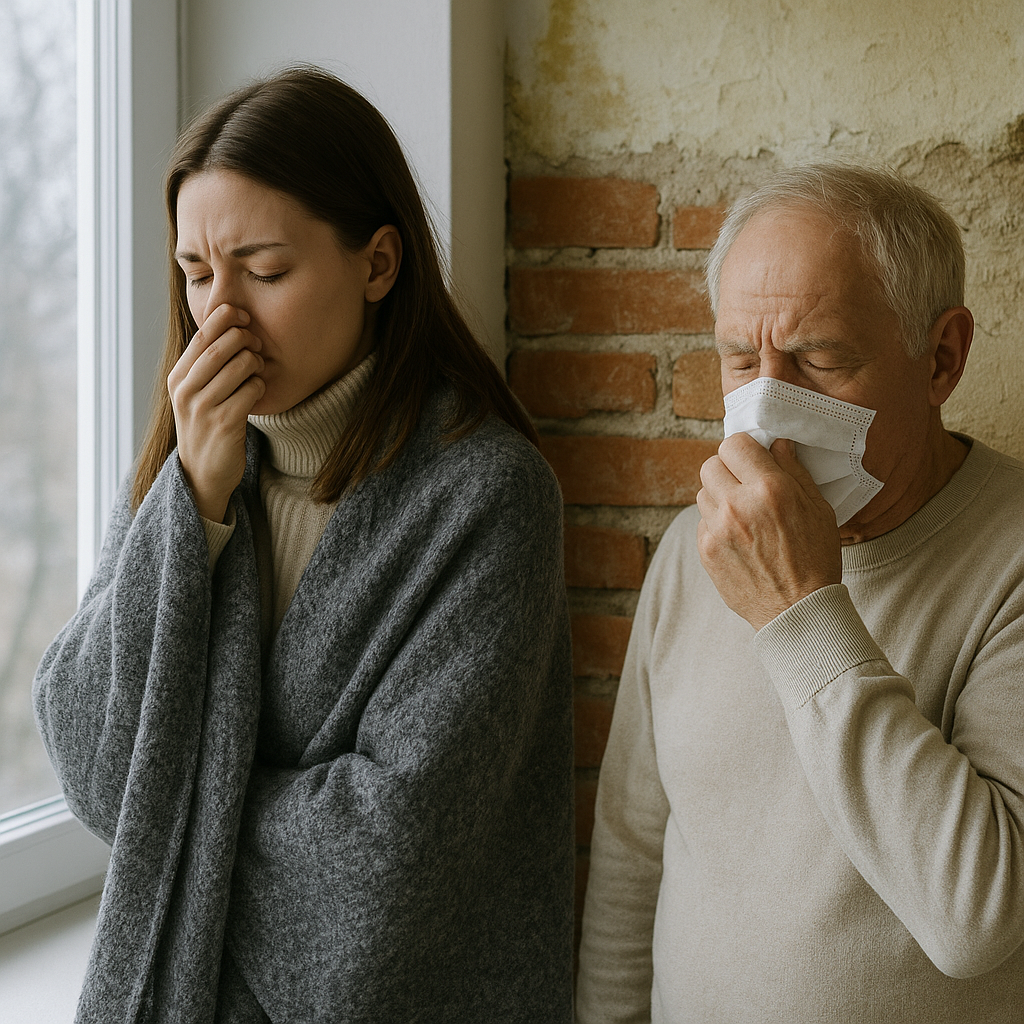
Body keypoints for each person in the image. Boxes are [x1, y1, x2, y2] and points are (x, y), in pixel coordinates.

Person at [34, 67, 574, 1024]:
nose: (221, 316)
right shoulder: (185, 471)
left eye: (266, 271)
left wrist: (180, 803)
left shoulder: (487, 499)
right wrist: (193, 505)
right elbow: (93, 767)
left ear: (377, 264)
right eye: (197, 275)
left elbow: (382, 874)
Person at [575, 164, 1024, 1023]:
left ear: (942, 359)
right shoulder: (692, 547)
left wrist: (800, 611)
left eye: (819, 361)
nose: (770, 407)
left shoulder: (1009, 558)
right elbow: (634, 852)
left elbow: (977, 918)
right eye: (743, 360)